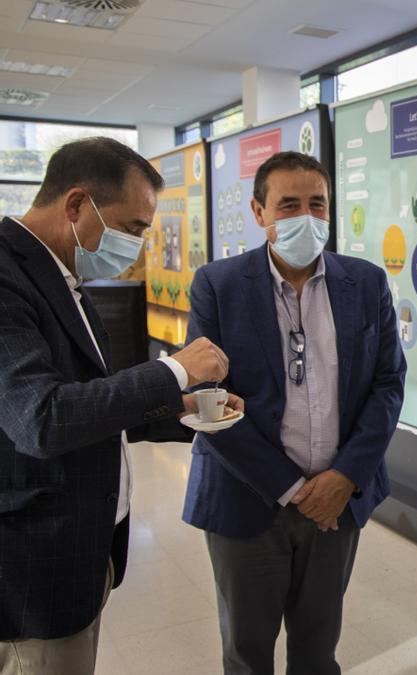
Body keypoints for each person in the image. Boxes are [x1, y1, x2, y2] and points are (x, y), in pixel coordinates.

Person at [0, 137, 237, 674]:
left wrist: (180, 406)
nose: (139, 245)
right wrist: (175, 367)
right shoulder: (7, 276)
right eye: (134, 228)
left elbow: (89, 405)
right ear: (77, 205)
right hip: (30, 580)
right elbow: (42, 418)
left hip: (81, 554)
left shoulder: (66, 280)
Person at [182, 151, 406, 674]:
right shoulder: (217, 285)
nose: (305, 216)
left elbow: (388, 383)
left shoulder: (367, 283)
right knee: (247, 653)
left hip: (337, 502)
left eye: (317, 204)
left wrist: (345, 477)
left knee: (317, 649)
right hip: (246, 499)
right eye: (288, 205)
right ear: (259, 212)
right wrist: (292, 487)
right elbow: (208, 396)